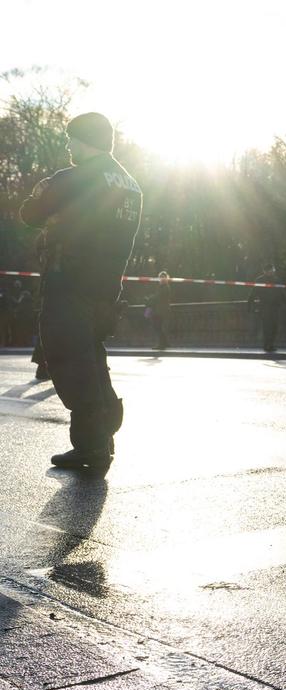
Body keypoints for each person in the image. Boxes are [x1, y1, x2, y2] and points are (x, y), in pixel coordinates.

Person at [18, 112, 141, 469]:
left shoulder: (74, 179)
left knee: (70, 359)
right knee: (91, 358)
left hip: (67, 281)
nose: (69, 145)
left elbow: (30, 213)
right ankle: (105, 431)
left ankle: (92, 447)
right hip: (106, 287)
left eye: (72, 138)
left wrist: (42, 194)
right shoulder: (130, 183)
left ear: (86, 139)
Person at [247, 265, 286, 352]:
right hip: (264, 307)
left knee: (275, 327)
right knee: (267, 327)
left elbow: (281, 293)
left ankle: (271, 344)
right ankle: (266, 345)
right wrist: (250, 304)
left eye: (273, 270)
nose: (272, 272)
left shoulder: (277, 280)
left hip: (275, 307)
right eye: (270, 270)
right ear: (265, 271)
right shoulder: (260, 280)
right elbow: (253, 293)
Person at [148, 271, 172, 350]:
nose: (161, 279)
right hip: (159, 310)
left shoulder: (165, 287)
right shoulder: (161, 287)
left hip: (162, 310)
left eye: (163, 277)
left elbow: (159, 297)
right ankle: (164, 343)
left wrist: (151, 298)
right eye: (160, 277)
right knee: (158, 327)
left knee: (158, 327)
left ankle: (162, 344)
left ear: (166, 278)